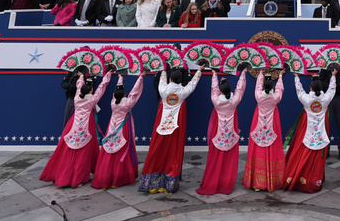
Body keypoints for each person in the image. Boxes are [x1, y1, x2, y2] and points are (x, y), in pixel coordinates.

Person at [40, 67, 114, 187]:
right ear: (90, 91)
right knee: (82, 155)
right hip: (86, 129)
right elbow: (102, 88)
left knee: (70, 152)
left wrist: (80, 77)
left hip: (73, 127)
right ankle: (78, 177)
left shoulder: (77, 98)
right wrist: (108, 75)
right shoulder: (92, 100)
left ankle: (65, 175)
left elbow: (79, 87)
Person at [138, 66, 203, 194]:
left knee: (157, 151)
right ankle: (170, 184)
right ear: (180, 80)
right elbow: (193, 83)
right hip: (176, 128)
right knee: (173, 153)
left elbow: (162, 79)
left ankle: (153, 182)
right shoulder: (183, 92)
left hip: (162, 127)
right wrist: (199, 70)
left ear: (171, 78)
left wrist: (163, 69)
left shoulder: (163, 90)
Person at [283, 69, 337, 193]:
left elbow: (299, 90)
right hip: (320, 132)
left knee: (302, 153)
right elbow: (332, 89)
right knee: (317, 157)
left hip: (307, 131)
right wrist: (333, 76)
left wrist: (296, 77)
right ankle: (314, 180)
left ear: (311, 88)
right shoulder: (325, 99)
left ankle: (299, 177)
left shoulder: (307, 100)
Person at [197, 67, 248, 195]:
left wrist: (214, 75)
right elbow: (240, 89)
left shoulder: (217, 102)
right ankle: (226, 184)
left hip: (218, 135)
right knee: (228, 160)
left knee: (215, 159)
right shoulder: (234, 101)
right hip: (230, 135)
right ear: (229, 91)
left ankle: (213, 182)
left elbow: (213, 89)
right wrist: (243, 74)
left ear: (220, 91)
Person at [91, 73, 145, 189]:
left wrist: (120, 78)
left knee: (109, 150)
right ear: (125, 94)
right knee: (121, 150)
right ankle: (118, 178)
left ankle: (105, 177)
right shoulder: (127, 103)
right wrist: (140, 78)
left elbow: (119, 90)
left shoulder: (113, 102)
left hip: (112, 127)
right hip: (124, 128)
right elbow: (135, 92)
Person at [243, 68, 286, 191]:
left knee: (258, 150)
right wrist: (281, 76)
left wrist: (261, 74)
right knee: (272, 149)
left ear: (263, 86)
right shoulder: (275, 98)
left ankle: (257, 183)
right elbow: (280, 89)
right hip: (272, 126)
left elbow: (257, 87)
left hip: (258, 125)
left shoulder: (259, 96)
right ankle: (272, 181)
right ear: (272, 86)